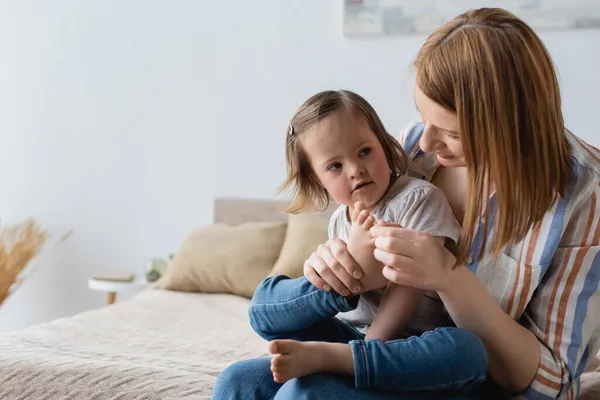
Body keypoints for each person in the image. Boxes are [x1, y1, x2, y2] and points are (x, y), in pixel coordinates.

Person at [213, 7, 600, 400]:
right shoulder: (413, 149)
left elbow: (551, 384)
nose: (425, 143)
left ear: (508, 125)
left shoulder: (585, 195)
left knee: (308, 394)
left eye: (450, 133)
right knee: (238, 382)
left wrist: (448, 277)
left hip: (451, 371)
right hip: (376, 344)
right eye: (421, 116)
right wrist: (333, 270)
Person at [228, 88, 487, 395]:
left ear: (384, 143)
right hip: (350, 337)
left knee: (464, 348)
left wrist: (366, 352)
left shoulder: (417, 199)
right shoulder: (340, 220)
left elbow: (407, 291)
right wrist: (351, 276)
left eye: (364, 151)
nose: (355, 170)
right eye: (335, 166)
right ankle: (337, 354)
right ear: (317, 180)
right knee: (238, 376)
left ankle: (336, 363)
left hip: (407, 350)